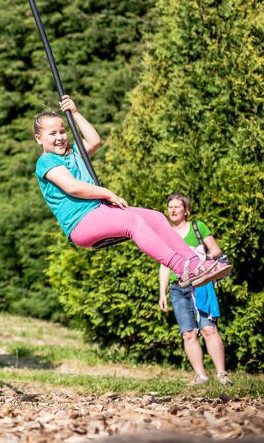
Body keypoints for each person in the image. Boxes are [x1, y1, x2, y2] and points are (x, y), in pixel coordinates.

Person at [33, 96, 231, 287]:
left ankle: (194, 264)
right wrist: (107, 193)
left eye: (62, 131)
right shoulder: (46, 161)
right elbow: (73, 187)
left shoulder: (74, 154)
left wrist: (75, 113)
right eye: (52, 134)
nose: (60, 137)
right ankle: (180, 267)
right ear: (39, 139)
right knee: (133, 222)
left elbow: (94, 141)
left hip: (101, 211)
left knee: (156, 218)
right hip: (81, 222)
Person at [159, 192, 232, 386]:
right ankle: (201, 376)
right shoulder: (166, 234)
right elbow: (164, 265)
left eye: (177, 206)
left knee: (209, 329)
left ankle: (222, 374)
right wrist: (162, 293)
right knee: (188, 333)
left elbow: (216, 251)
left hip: (201, 283)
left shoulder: (197, 227)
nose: (173, 210)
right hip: (178, 288)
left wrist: (201, 256)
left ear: (186, 210)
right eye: (170, 207)